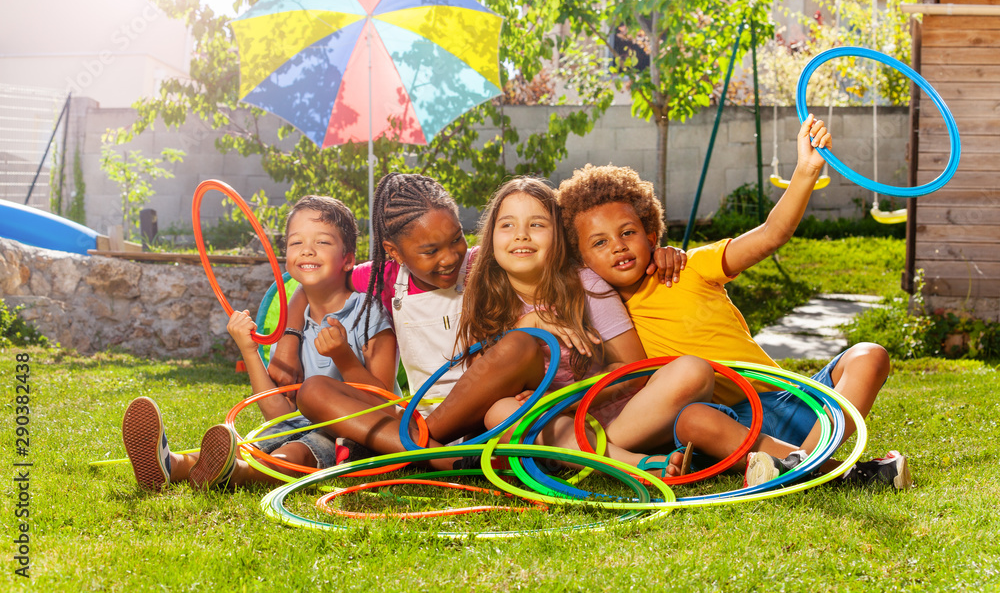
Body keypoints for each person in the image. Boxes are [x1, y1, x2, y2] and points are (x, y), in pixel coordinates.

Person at [556, 114, 911, 490]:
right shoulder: (605, 318)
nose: (618, 246)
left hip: (791, 398)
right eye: (599, 242)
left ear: (651, 234)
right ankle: (827, 472)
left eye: (628, 232)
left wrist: (806, 171)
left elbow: (772, 234)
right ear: (581, 259)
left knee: (869, 355)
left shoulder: (691, 267)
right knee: (691, 419)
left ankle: (805, 466)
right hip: (729, 424)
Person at [281, 173, 686, 465]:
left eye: (456, 237)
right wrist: (291, 330)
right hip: (420, 416)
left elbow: (587, 246)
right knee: (313, 390)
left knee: (520, 345)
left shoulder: (485, 263)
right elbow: (315, 277)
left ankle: (418, 446)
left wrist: (658, 250)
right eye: (429, 250)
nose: (450, 256)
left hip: (485, 415)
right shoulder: (385, 276)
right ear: (396, 252)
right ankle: (436, 455)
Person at [121, 195, 396, 491]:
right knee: (253, 442)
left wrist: (344, 357)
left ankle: (238, 474)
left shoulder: (369, 315)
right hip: (298, 425)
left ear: (349, 260)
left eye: (323, 243)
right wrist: (248, 350)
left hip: (354, 433)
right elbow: (278, 415)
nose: (307, 251)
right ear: (286, 258)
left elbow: (385, 407)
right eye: (296, 243)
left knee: (297, 451)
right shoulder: (291, 326)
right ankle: (172, 464)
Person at [467, 178, 714, 468]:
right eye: (507, 225)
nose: (521, 235)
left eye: (536, 225)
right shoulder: (483, 295)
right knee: (499, 412)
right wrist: (525, 325)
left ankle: (582, 456)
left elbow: (631, 370)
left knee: (693, 371)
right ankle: (632, 464)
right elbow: (480, 384)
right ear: (491, 236)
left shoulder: (586, 284)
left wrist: (564, 399)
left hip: (620, 417)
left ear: (558, 235)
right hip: (552, 423)